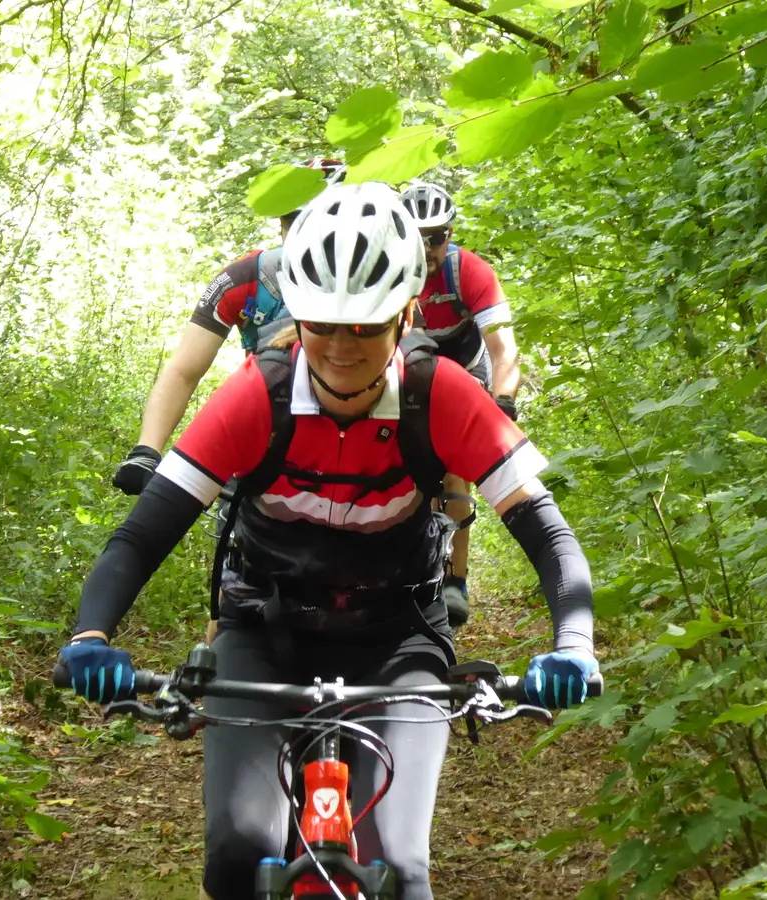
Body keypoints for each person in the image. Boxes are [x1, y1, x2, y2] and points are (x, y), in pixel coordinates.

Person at [57, 182, 597, 900]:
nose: (341, 349)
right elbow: (143, 534)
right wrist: (92, 634)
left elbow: (549, 535)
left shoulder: (443, 396)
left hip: (398, 636)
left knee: (400, 869)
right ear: (297, 317)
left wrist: (574, 645)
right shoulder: (258, 393)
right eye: (322, 325)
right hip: (263, 627)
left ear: (406, 315)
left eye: (367, 327)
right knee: (238, 855)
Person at [110, 157, 347, 496]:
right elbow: (184, 370)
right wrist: (147, 451)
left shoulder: (386, 279)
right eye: (296, 219)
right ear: (281, 221)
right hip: (268, 434)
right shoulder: (247, 278)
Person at [397, 181, 522, 630]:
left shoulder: (470, 271)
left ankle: (456, 581)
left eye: (438, 236)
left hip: (467, 368)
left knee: (454, 469)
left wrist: (503, 404)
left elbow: (505, 350)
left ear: (450, 235)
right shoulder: (388, 270)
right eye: (417, 236)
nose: (428, 247)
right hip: (414, 368)